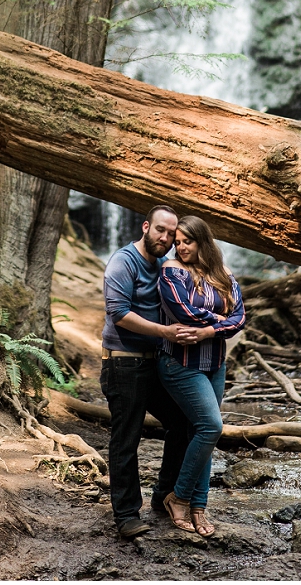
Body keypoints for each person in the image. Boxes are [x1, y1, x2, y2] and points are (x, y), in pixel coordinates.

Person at [100, 205, 204, 539]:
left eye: (172, 233)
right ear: (146, 227)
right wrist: (165, 332)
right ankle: (127, 515)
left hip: (155, 362)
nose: (166, 237)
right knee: (126, 438)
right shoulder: (123, 261)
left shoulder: (165, 264)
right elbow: (118, 313)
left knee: (183, 422)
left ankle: (164, 496)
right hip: (123, 362)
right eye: (160, 229)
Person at [156, 214, 246, 538]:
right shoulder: (171, 272)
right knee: (211, 426)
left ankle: (198, 506)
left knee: (203, 433)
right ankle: (177, 498)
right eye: (177, 242)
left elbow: (240, 318)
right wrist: (220, 320)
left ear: (202, 241)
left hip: (215, 366)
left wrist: (209, 328)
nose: (179, 247)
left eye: (186, 241)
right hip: (180, 365)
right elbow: (182, 311)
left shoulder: (224, 275)